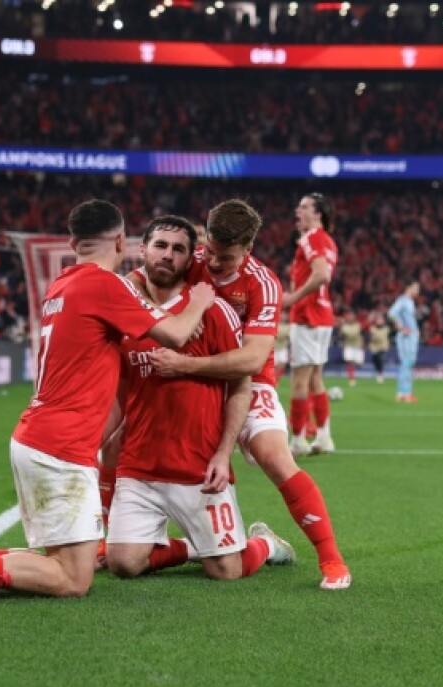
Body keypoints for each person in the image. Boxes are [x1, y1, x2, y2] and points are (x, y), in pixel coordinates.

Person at [0, 200, 216, 604]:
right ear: (121, 241)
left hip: (42, 436)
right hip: (59, 447)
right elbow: (178, 334)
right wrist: (201, 299)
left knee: (64, 564)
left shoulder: (62, 284)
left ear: (72, 242)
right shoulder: (104, 286)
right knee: (72, 580)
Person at [143, 199, 352, 590]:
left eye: (227, 257)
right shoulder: (193, 261)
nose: (215, 263)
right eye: (211, 252)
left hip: (245, 381)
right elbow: (146, 282)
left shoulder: (263, 283)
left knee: (275, 458)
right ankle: (122, 541)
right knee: (129, 436)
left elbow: (254, 359)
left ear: (249, 248)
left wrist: (187, 366)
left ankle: (331, 559)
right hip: (192, 381)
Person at [104, 214, 295, 581]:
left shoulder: (217, 311)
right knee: (123, 564)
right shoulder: (127, 311)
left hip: (197, 469)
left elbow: (241, 385)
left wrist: (223, 455)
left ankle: (264, 544)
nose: (167, 255)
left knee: (227, 571)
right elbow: (118, 387)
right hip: (140, 468)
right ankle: (197, 546)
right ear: (142, 250)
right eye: (160, 246)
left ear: (192, 257)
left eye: (178, 250)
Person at [283, 193, 339, 457]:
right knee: (316, 379)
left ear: (318, 214)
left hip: (307, 316)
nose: (298, 210)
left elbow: (321, 274)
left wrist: (292, 298)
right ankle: (324, 436)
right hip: (324, 316)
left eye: (304, 207)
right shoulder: (329, 241)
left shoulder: (311, 238)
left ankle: (297, 441)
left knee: (299, 381)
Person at [388, 281, 420, 403]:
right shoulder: (403, 300)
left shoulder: (410, 301)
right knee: (407, 363)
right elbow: (391, 313)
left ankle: (402, 393)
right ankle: (406, 393)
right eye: (416, 288)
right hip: (406, 337)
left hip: (411, 336)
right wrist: (401, 327)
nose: (418, 291)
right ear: (409, 287)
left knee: (407, 364)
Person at [338, 309, 364, 387]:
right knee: (349, 362)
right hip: (348, 346)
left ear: (354, 317)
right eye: (349, 316)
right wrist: (340, 328)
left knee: (359, 363)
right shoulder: (344, 326)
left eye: (351, 316)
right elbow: (340, 336)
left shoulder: (358, 325)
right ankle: (351, 379)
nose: (350, 318)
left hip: (357, 346)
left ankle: (355, 375)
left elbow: (361, 335)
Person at [368, 311, 391, 384]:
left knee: (380, 358)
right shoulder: (372, 328)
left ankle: (380, 374)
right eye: (378, 320)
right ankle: (378, 372)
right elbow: (369, 337)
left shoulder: (387, 328)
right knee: (375, 360)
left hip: (383, 347)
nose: (379, 321)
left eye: (381, 320)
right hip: (374, 347)